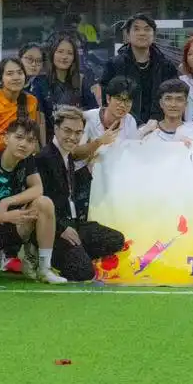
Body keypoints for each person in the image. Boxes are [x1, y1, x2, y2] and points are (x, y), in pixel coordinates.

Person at [39, 106, 127, 282]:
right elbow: (41, 203)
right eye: (67, 131)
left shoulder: (67, 157)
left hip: (74, 224)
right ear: (56, 128)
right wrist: (62, 229)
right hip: (56, 230)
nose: (73, 137)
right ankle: (49, 258)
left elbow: (68, 187)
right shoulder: (44, 158)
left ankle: (78, 254)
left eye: (78, 132)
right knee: (84, 273)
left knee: (116, 239)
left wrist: (88, 169)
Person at [0, 117, 66, 284]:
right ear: (5, 138)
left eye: (30, 140)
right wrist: (1, 217)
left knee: (44, 203)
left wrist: (6, 202)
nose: (23, 144)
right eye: (19, 137)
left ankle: (44, 268)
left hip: (15, 226)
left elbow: (38, 189)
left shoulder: (27, 161)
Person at [100, 13, 179, 123]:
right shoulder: (114, 65)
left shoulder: (167, 66)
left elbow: (175, 98)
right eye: (136, 29)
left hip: (159, 126)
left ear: (154, 35)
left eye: (147, 29)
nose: (142, 33)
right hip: (123, 126)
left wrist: (157, 123)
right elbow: (106, 100)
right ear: (128, 35)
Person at [32, 34, 98, 116]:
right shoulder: (40, 82)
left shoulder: (82, 81)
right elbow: (38, 116)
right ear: (52, 54)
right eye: (60, 52)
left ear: (74, 58)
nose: (64, 57)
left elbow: (93, 112)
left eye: (70, 53)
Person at [78, 75, 139, 151]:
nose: (123, 105)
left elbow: (132, 152)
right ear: (108, 98)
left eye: (128, 101)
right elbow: (74, 153)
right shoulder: (88, 117)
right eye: (119, 99)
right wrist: (99, 142)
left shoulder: (130, 121)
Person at [139, 79, 192, 143]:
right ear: (161, 103)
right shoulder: (145, 132)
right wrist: (142, 135)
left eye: (179, 99)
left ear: (186, 104)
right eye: (168, 99)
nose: (173, 104)